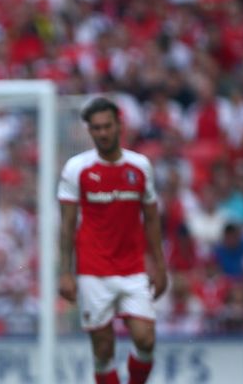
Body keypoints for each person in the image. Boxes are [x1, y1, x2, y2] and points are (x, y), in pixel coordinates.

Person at [58, 97, 168, 384]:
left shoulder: (140, 167)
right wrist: (65, 273)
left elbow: (152, 219)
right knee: (103, 348)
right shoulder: (76, 169)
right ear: (90, 131)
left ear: (119, 125)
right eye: (96, 128)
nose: (103, 133)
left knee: (145, 339)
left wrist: (160, 265)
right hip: (93, 270)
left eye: (107, 126)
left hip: (133, 268)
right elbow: (67, 225)